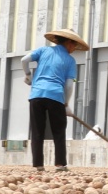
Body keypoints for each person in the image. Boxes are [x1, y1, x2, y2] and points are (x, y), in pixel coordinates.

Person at [25, 28, 88, 170]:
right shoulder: (70, 61)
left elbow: (24, 60)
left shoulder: (43, 50)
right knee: (58, 131)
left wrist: (28, 74)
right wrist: (66, 103)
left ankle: (38, 165)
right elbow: (69, 85)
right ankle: (60, 164)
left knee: (37, 131)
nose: (74, 49)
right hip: (56, 96)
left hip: (36, 95)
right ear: (68, 42)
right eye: (74, 45)